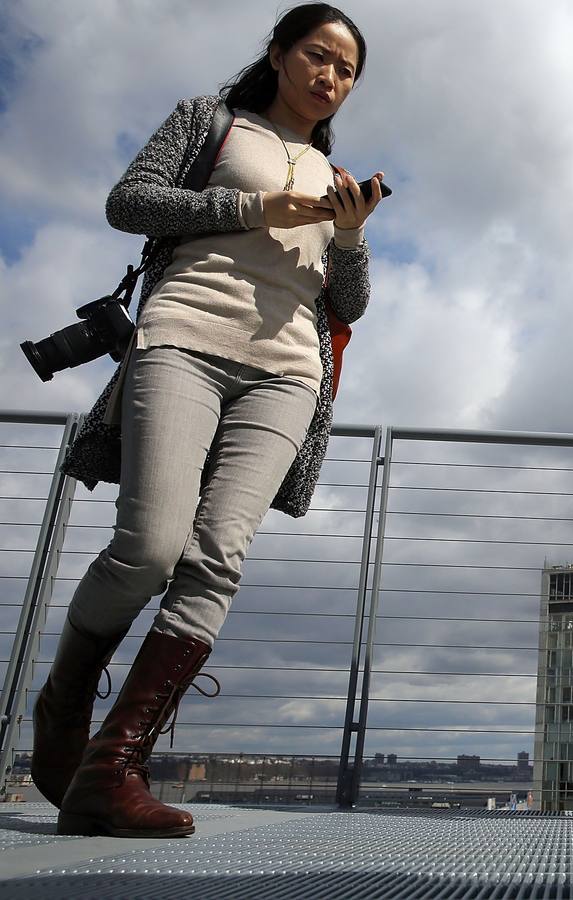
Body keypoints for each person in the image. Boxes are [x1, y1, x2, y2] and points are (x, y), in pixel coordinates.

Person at [33, 3, 381, 838]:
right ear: (278, 52)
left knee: (217, 556)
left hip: (291, 374)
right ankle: (65, 698)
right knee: (149, 547)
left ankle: (112, 770)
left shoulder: (334, 176)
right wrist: (253, 211)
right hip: (185, 337)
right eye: (317, 55)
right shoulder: (211, 123)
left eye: (346, 69)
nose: (329, 76)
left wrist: (350, 237)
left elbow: (352, 305)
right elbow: (130, 202)